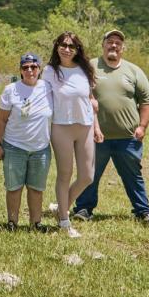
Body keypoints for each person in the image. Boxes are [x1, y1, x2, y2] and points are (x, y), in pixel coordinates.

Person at [74, 29, 149, 226]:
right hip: (95, 136)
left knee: (133, 176)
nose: (113, 45)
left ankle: (143, 212)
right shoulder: (90, 67)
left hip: (128, 137)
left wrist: (142, 127)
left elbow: (147, 100)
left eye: (118, 43)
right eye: (110, 41)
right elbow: (80, 94)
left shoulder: (133, 70)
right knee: (89, 174)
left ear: (123, 48)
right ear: (103, 45)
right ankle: (84, 209)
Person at [46, 32, 99, 238]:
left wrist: (96, 127)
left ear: (77, 50)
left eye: (71, 46)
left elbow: (91, 100)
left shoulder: (85, 70)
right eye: (63, 45)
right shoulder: (50, 71)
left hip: (85, 126)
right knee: (65, 174)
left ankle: (60, 207)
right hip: (61, 127)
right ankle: (64, 222)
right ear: (57, 47)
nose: (66, 49)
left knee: (87, 176)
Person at [0, 54, 54, 230]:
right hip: (14, 147)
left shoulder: (48, 88)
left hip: (40, 149)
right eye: (25, 67)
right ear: (20, 70)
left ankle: (35, 223)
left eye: (33, 67)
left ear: (39, 69)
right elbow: (1, 120)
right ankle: (12, 222)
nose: (30, 71)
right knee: (14, 187)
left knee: (36, 188)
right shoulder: (11, 90)